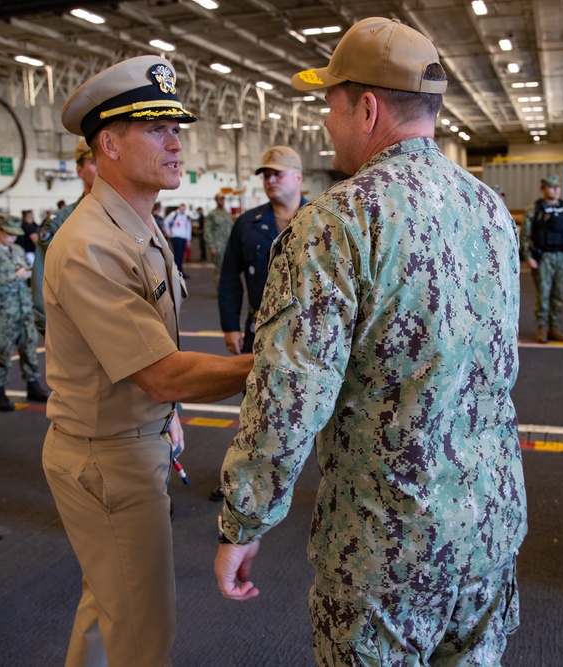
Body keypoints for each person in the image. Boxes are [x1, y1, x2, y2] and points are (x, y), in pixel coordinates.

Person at [214, 18, 527, 667]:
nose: (327, 123)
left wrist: (244, 523)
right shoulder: (491, 210)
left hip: (386, 550)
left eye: (330, 105)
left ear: (366, 107)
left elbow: (289, 399)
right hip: (489, 534)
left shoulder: (334, 224)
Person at [45, 55, 253, 666]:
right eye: (158, 129)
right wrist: (284, 361)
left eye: (177, 128)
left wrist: (165, 418)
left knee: (107, 610)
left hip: (133, 437)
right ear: (108, 143)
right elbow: (161, 373)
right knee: (142, 633)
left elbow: (150, 361)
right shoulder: (92, 245)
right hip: (108, 459)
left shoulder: (140, 223)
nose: (176, 142)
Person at [219, 145, 306, 355]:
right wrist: (230, 326)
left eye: (278, 174)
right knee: (254, 387)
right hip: (259, 329)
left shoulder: (321, 221)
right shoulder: (247, 224)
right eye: (266, 175)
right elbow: (230, 277)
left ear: (298, 177)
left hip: (307, 331)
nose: (270, 180)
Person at [0, 214, 50, 412]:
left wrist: (26, 274)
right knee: (2, 352)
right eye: (9, 234)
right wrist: (15, 277)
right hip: (3, 312)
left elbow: (26, 272)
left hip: (24, 308)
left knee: (29, 348)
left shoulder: (17, 250)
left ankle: (33, 385)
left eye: (15, 234)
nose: (13, 238)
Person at [32, 138, 97, 336]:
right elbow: (43, 273)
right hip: (78, 327)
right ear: (79, 170)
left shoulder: (132, 216)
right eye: (94, 162)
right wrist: (45, 321)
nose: (103, 168)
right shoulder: (61, 221)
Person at [521, 174, 563, 343]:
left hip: (562, 256)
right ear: (543, 189)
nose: (555, 190)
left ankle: (554, 327)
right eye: (551, 187)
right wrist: (528, 256)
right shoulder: (534, 209)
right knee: (544, 293)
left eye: (557, 187)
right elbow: (525, 235)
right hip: (544, 257)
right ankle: (542, 328)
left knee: (560, 293)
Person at [204, 193, 233, 286]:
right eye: (220, 199)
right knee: (219, 270)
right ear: (216, 200)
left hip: (228, 245)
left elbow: (232, 229)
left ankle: (227, 289)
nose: (222, 201)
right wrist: (211, 246)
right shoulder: (212, 215)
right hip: (218, 246)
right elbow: (207, 231)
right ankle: (220, 290)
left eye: (223, 199)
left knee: (229, 269)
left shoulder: (227, 213)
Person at [164, 203, 192, 277]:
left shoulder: (186, 216)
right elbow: (166, 221)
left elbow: (188, 228)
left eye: (183, 209)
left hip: (183, 237)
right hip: (176, 236)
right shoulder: (174, 214)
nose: (182, 210)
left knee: (181, 255)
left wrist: (188, 239)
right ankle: (177, 272)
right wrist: (168, 232)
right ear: (179, 208)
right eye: (181, 208)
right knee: (178, 255)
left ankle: (180, 271)